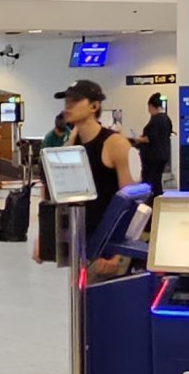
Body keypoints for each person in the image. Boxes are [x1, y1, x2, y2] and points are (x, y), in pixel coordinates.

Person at [56, 80, 140, 251]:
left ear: (94, 106)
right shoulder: (72, 145)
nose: (68, 106)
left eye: (75, 101)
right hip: (81, 240)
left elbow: (130, 200)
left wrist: (118, 252)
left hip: (108, 242)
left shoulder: (116, 144)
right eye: (67, 101)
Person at [138, 93, 172, 193]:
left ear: (151, 106)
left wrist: (139, 139)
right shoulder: (166, 118)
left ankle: (151, 201)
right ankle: (157, 200)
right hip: (163, 154)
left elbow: (150, 138)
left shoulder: (156, 119)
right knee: (157, 179)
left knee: (150, 181)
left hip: (153, 156)